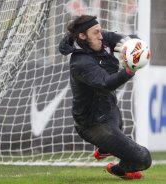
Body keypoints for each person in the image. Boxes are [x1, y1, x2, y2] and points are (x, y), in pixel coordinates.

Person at [58, 15, 152, 179]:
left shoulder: (105, 40)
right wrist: (131, 69)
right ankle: (117, 169)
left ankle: (106, 151)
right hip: (92, 124)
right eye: (96, 33)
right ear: (82, 36)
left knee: (118, 126)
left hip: (110, 110)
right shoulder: (80, 62)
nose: (101, 36)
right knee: (143, 159)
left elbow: (129, 39)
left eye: (100, 31)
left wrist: (136, 46)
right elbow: (107, 82)